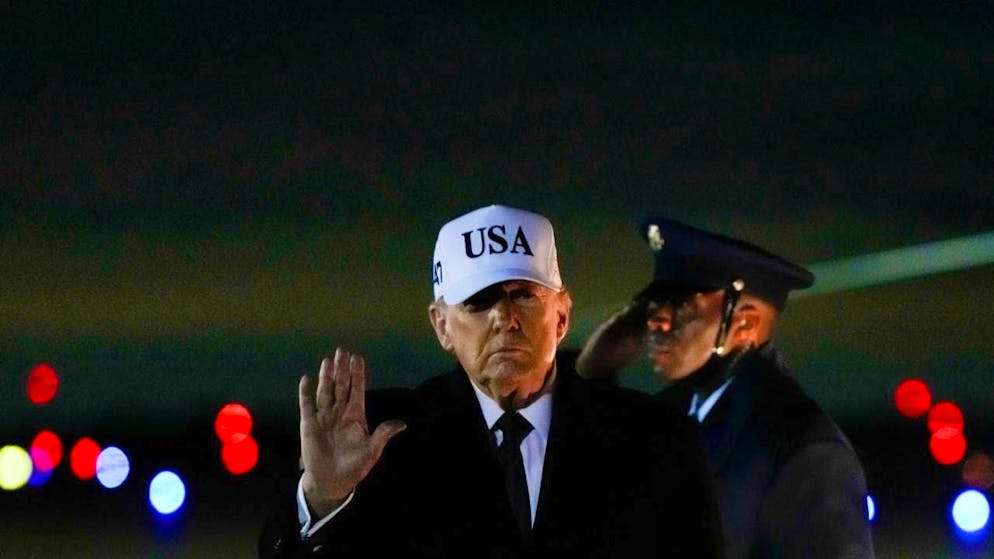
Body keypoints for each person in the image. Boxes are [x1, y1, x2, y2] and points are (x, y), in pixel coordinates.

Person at [259, 205, 723, 558]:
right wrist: (322, 499)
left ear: (561, 315)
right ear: (441, 326)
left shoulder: (658, 439)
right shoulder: (376, 440)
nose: (505, 319)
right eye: (478, 303)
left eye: (523, 295)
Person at [577, 217, 874, 559]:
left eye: (682, 305)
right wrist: (595, 370)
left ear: (745, 322)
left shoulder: (801, 446)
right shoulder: (669, 416)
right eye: (654, 304)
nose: (656, 321)